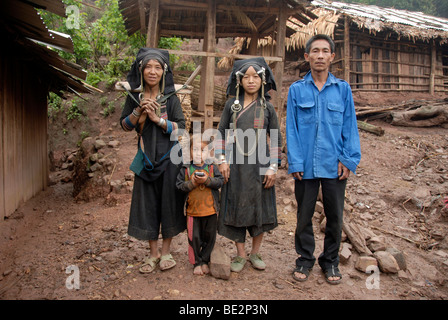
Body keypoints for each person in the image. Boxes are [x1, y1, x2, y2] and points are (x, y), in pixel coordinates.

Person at [286, 34, 361, 284]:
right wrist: (295, 161)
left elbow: (350, 126)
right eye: (315, 51)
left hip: (334, 164)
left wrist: (348, 159)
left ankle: (330, 262)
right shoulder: (297, 90)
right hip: (305, 165)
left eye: (324, 51)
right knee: (304, 217)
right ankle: (305, 259)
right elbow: (292, 129)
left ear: (332, 56)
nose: (320, 55)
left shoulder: (342, 89)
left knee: (335, 217)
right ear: (307, 57)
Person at [120, 48, 186, 273]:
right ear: (140, 70)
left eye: (158, 67)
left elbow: (183, 130)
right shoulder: (134, 97)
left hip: (170, 160)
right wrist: (139, 112)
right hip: (146, 158)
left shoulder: (171, 99)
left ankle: (167, 252)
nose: (152, 71)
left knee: (169, 203)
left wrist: (158, 120)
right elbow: (125, 125)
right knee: (147, 204)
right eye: (148, 66)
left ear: (164, 71)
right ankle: (153, 254)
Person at [216, 57, 281, 272]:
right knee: (236, 205)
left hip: (260, 165)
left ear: (263, 80)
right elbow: (221, 134)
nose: (251, 81)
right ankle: (240, 254)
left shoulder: (268, 107)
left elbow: (276, 138)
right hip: (235, 165)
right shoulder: (231, 106)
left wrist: (273, 166)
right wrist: (222, 160)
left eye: (256, 77)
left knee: (259, 206)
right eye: (246, 77)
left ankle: (255, 252)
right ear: (239, 81)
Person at [176, 134, 224, 275]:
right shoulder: (185, 169)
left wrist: (207, 181)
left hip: (210, 211)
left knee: (210, 237)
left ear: (209, 152)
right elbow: (179, 186)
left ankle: (205, 260)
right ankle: (196, 262)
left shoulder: (212, 168)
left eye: (202, 150)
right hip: (193, 212)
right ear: (189, 151)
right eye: (195, 149)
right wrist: (192, 183)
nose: (198, 153)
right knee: (194, 237)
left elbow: (220, 182)